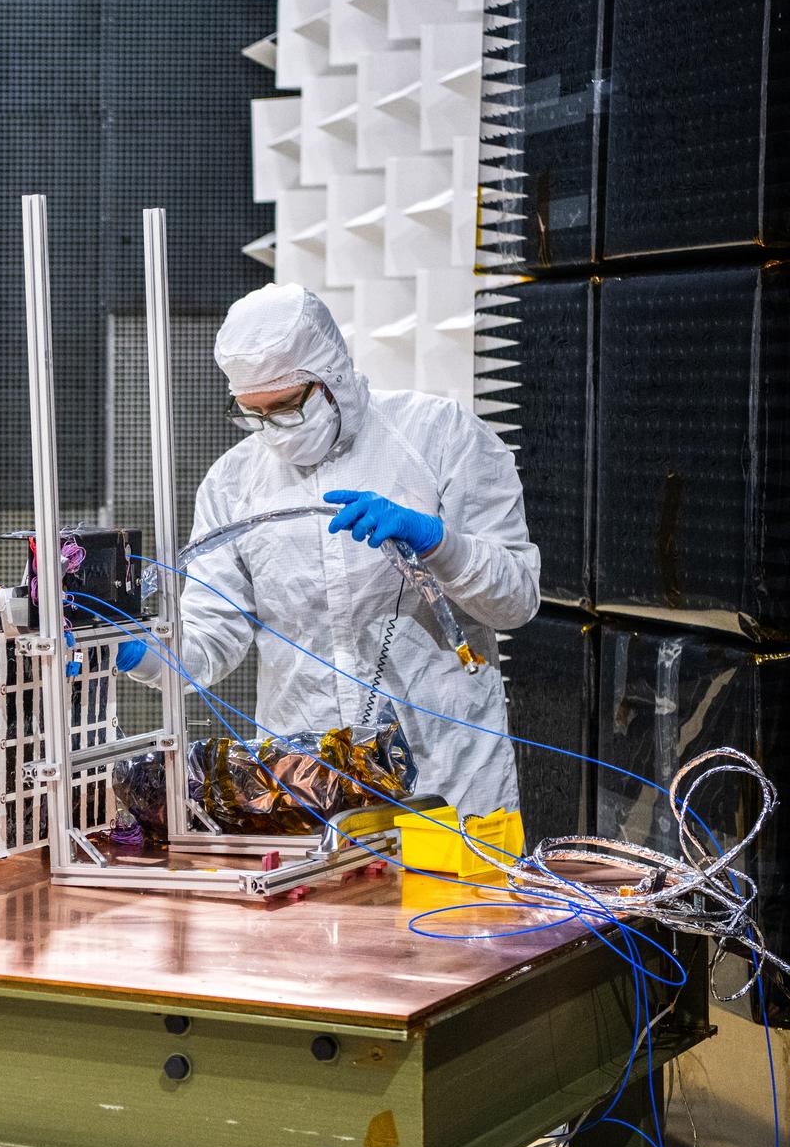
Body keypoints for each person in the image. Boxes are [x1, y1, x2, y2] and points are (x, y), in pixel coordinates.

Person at [178, 283, 540, 818]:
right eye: (255, 413)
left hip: (448, 778)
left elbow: (517, 601)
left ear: (333, 376)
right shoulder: (231, 483)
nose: (273, 429)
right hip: (305, 785)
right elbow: (209, 641)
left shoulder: (441, 435)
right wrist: (139, 651)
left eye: (285, 406)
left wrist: (438, 543)